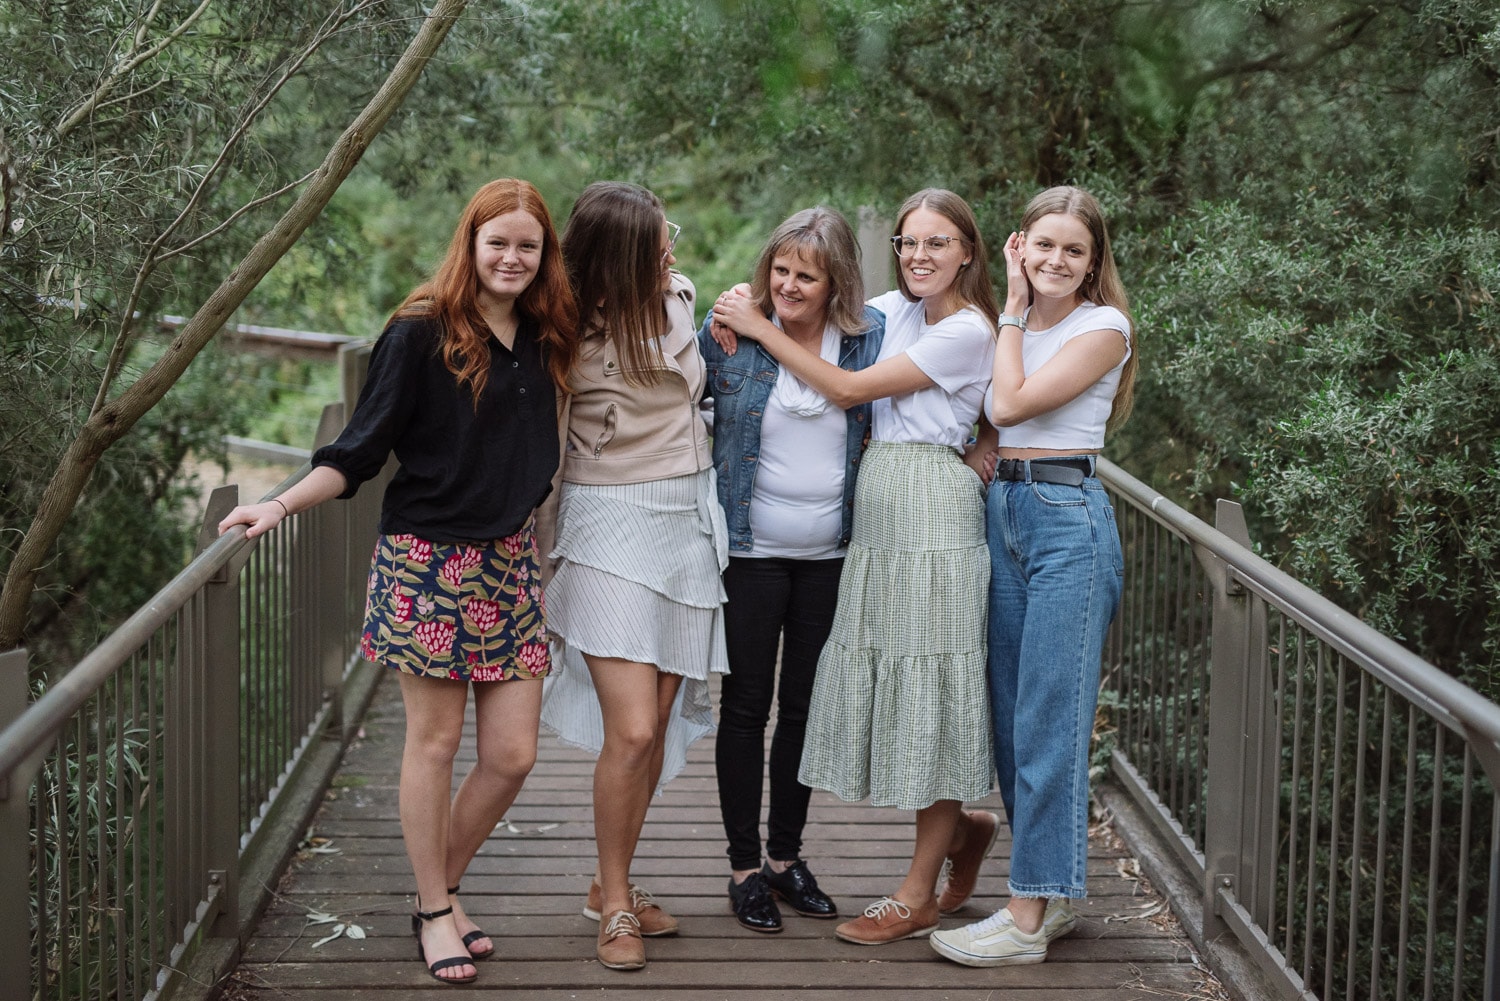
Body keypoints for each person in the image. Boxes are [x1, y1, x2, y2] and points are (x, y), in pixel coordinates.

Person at [217, 179, 578, 985]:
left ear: (545, 252)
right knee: (436, 742)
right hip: (428, 562)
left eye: (529, 244)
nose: (513, 257)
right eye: (499, 243)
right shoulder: (420, 331)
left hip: (509, 563)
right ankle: (433, 908)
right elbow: (358, 450)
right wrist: (277, 504)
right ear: (471, 244)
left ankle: (439, 888)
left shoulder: (549, 330)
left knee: (514, 754)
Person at [711, 188, 999, 947]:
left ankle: (817, 862)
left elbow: (855, 388)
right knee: (758, 702)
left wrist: (983, 446)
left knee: (850, 694)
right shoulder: (890, 315)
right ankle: (749, 867)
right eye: (908, 243)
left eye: (936, 243)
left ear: (967, 249)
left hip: (882, 531)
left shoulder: (931, 330)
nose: (918, 256)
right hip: (823, 538)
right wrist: (734, 311)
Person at [929, 185, 1136, 967]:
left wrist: (1011, 305)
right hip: (1006, 509)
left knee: (1050, 721)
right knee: (1015, 718)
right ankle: (1049, 893)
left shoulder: (1103, 326)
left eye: (1073, 250)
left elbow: (1011, 402)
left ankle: (1024, 916)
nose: (1056, 260)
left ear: (1092, 263)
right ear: (1021, 242)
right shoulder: (1006, 327)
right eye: (1043, 244)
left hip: (1066, 524)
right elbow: (989, 419)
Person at [537, 180, 728, 971]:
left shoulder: (683, 301)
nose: (672, 252)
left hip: (686, 521)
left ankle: (606, 881)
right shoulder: (558, 329)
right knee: (636, 728)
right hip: (606, 520)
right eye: (656, 243)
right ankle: (615, 905)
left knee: (652, 728)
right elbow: (530, 432)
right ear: (617, 258)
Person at [698, 207, 885, 934]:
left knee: (804, 710)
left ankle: (785, 856)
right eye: (780, 270)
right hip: (750, 555)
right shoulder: (728, 336)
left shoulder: (868, 339)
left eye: (806, 275)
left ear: (835, 279)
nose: (789, 285)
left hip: (829, 558)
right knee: (746, 707)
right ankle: (744, 866)